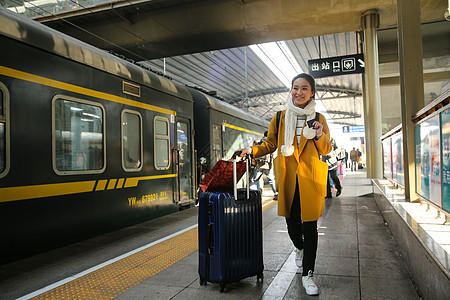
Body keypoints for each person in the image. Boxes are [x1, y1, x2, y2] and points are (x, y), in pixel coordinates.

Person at [237, 73, 332, 296]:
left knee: (310, 227)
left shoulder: (318, 118)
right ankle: (298, 248)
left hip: (310, 179)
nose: (299, 92)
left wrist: (318, 134)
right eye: (295, 88)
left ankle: (308, 274)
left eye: (304, 89)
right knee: (292, 226)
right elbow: (270, 143)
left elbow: (326, 149)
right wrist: (252, 150)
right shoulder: (280, 117)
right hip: (289, 177)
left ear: (312, 92)